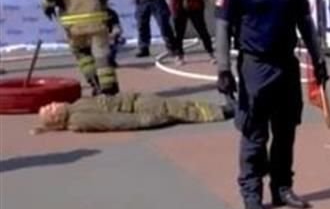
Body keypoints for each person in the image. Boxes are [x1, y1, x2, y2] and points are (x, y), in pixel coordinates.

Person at [213, 0, 330, 209]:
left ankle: (282, 187)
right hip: (256, 65)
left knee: (285, 131)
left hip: (286, 65)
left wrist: (318, 60)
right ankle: (252, 193)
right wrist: (224, 69)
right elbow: (223, 28)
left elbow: (305, 22)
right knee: (254, 133)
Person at [31, 92, 233, 134]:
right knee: (183, 111)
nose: (52, 103)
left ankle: (223, 109)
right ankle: (224, 112)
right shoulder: (79, 119)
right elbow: (114, 121)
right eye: (49, 109)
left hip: (137, 101)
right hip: (139, 110)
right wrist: (147, 120)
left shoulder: (75, 106)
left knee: (182, 104)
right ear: (56, 118)